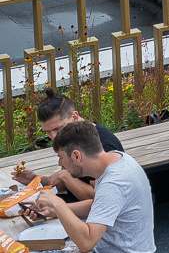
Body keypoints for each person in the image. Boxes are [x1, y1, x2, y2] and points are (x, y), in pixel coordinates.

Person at [31, 121, 154, 253]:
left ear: (76, 156)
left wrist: (58, 204)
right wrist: (52, 211)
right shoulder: (117, 158)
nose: (60, 163)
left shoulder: (113, 184)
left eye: (61, 157)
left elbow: (86, 243)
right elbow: (99, 206)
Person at [12, 89, 125, 218]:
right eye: (47, 132)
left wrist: (65, 177)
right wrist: (34, 179)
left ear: (75, 116)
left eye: (57, 129)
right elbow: (67, 184)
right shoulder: (71, 137)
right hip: (72, 210)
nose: (53, 136)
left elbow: (99, 199)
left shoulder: (102, 144)